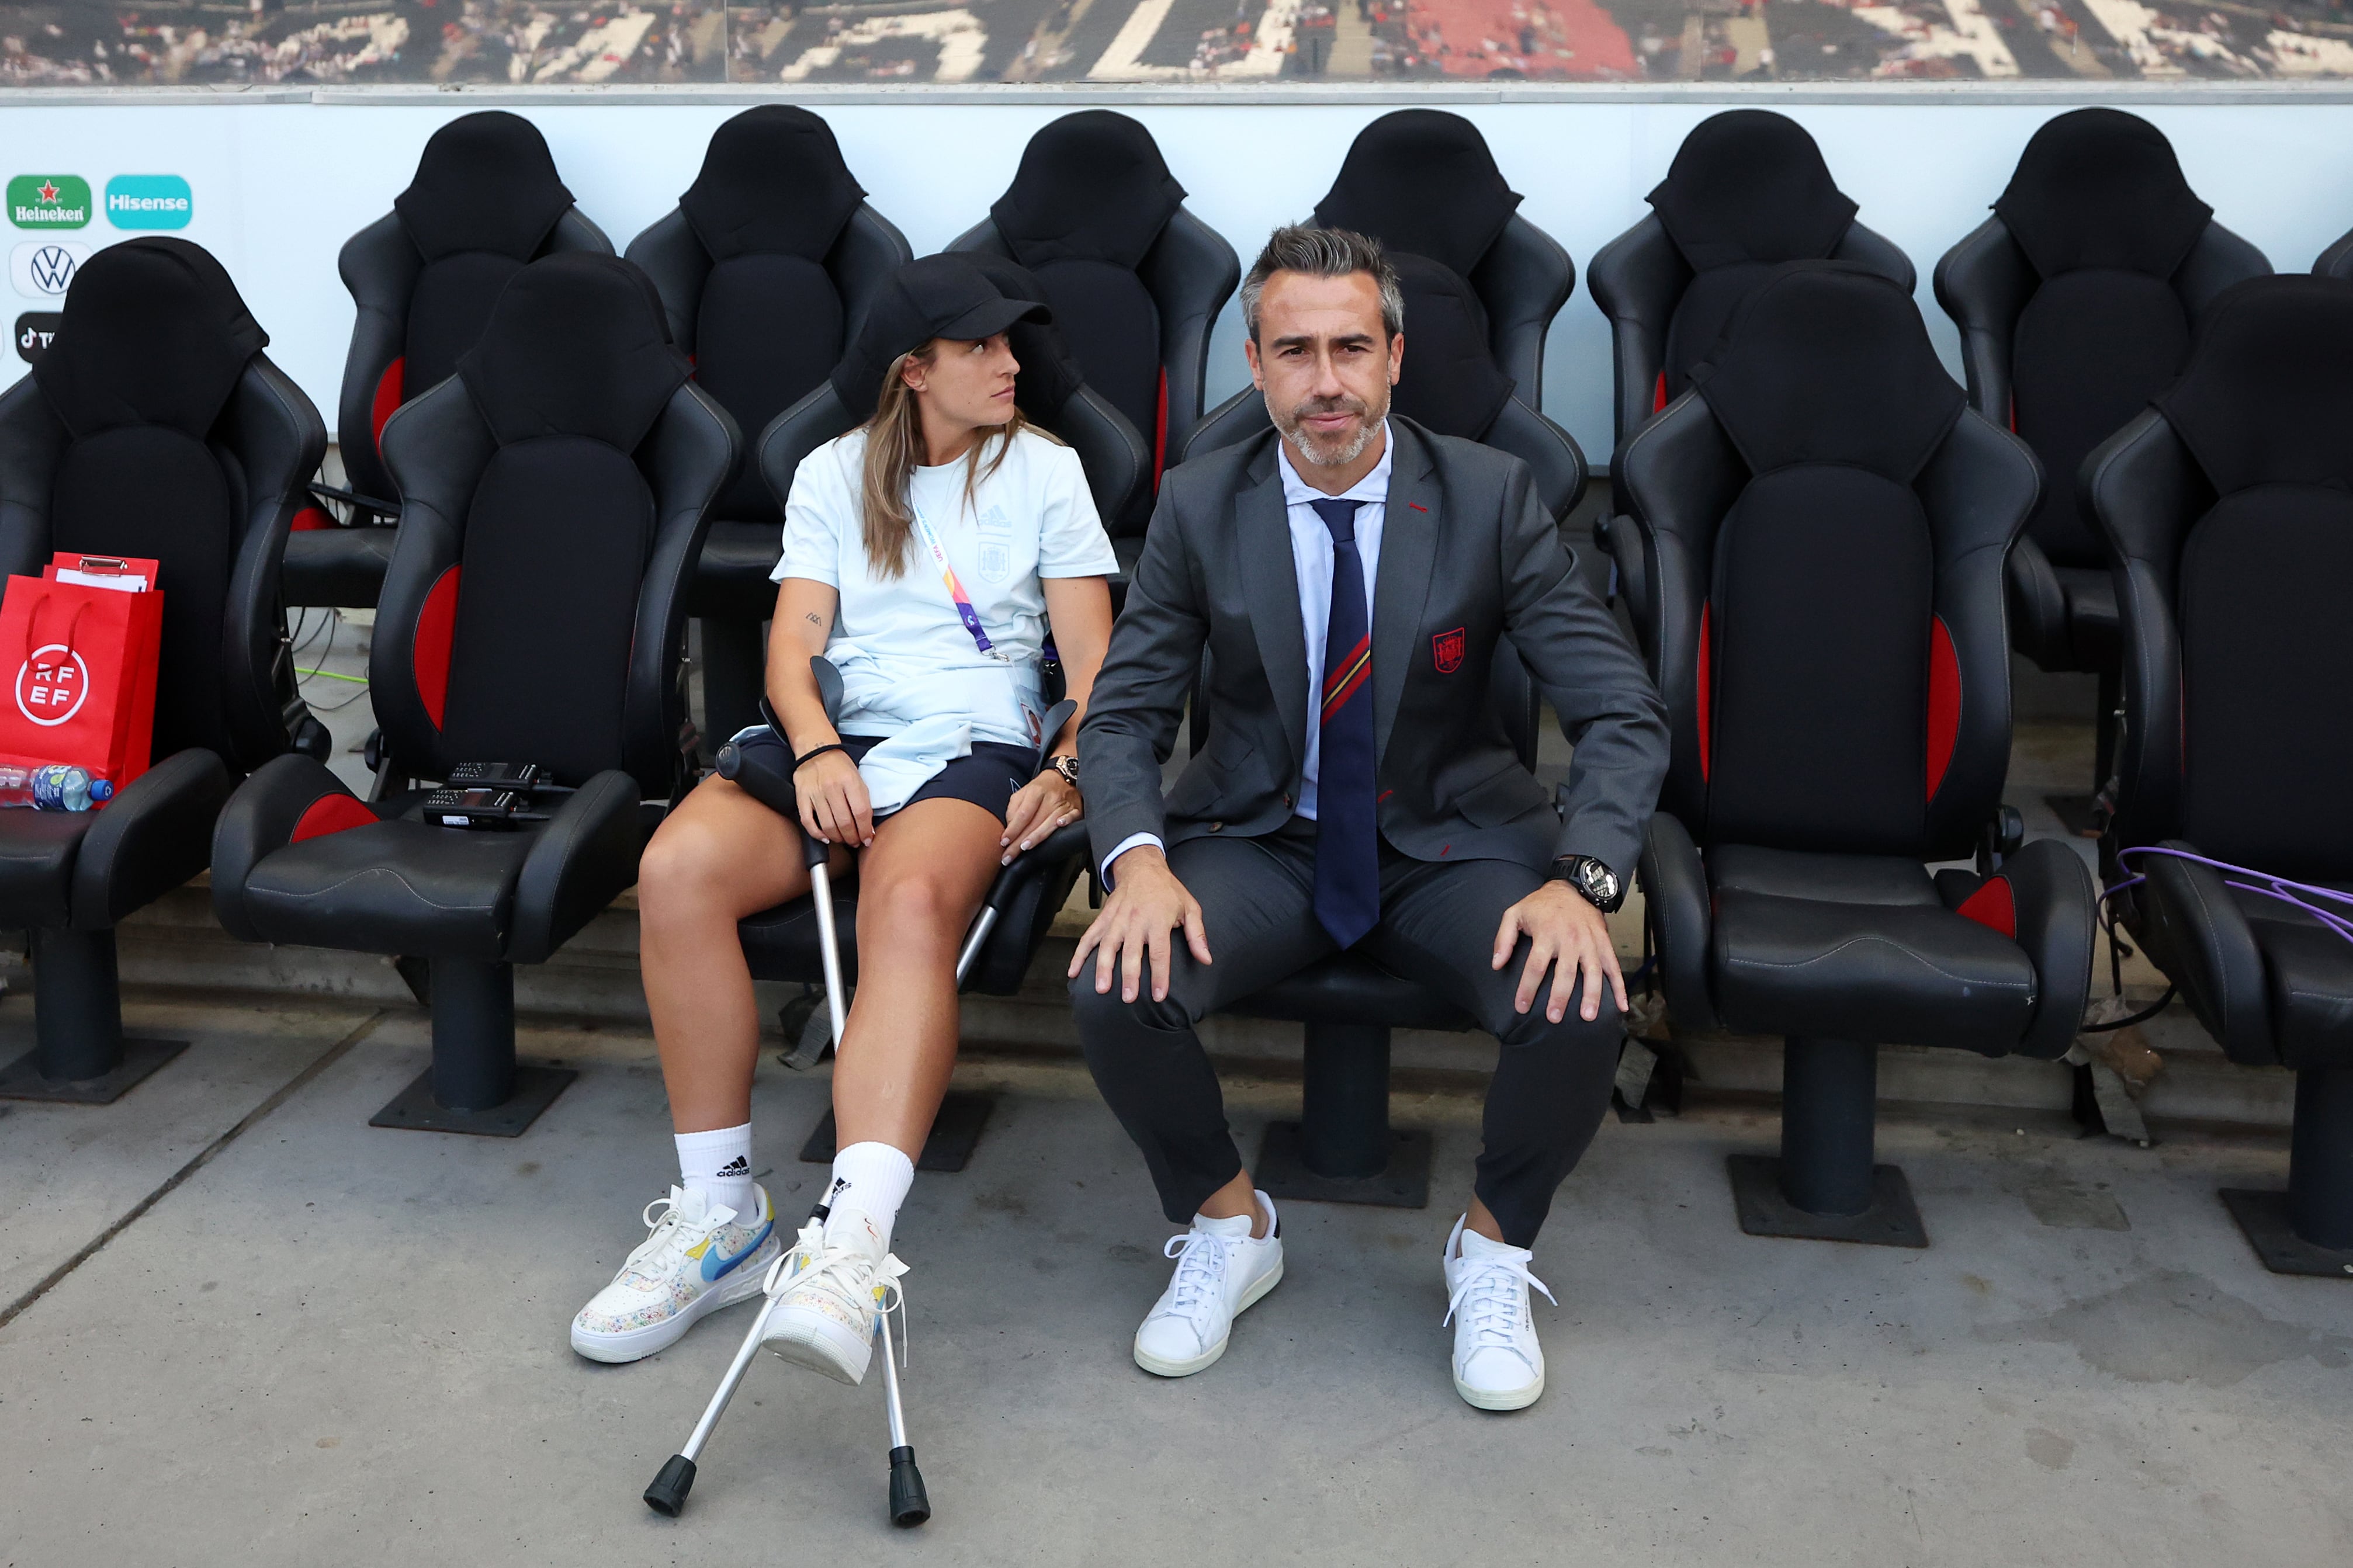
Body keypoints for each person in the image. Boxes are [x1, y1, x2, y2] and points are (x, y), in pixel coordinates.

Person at [1068, 225, 1668, 1411]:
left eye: (1352, 346)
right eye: (1295, 351)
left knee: (1580, 990)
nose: (1326, 380)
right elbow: (1121, 714)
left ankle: (1491, 1253)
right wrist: (1135, 859)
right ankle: (1230, 1225)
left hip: (1449, 842)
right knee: (1113, 981)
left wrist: (1582, 875)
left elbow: (1622, 709)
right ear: (1254, 365)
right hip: (1261, 841)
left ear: (1396, 357)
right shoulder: (1199, 505)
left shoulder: (1491, 497)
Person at [573, 256, 1117, 1380]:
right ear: (914, 372)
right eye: (981, 348)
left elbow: (1094, 666)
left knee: (907, 899)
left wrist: (1070, 768)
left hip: (978, 736)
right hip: (844, 733)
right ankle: (722, 1218)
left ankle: (851, 1247)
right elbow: (789, 649)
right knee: (676, 866)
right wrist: (817, 747)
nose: (1013, 364)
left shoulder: (1048, 472)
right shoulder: (831, 472)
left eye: (1014, 343)